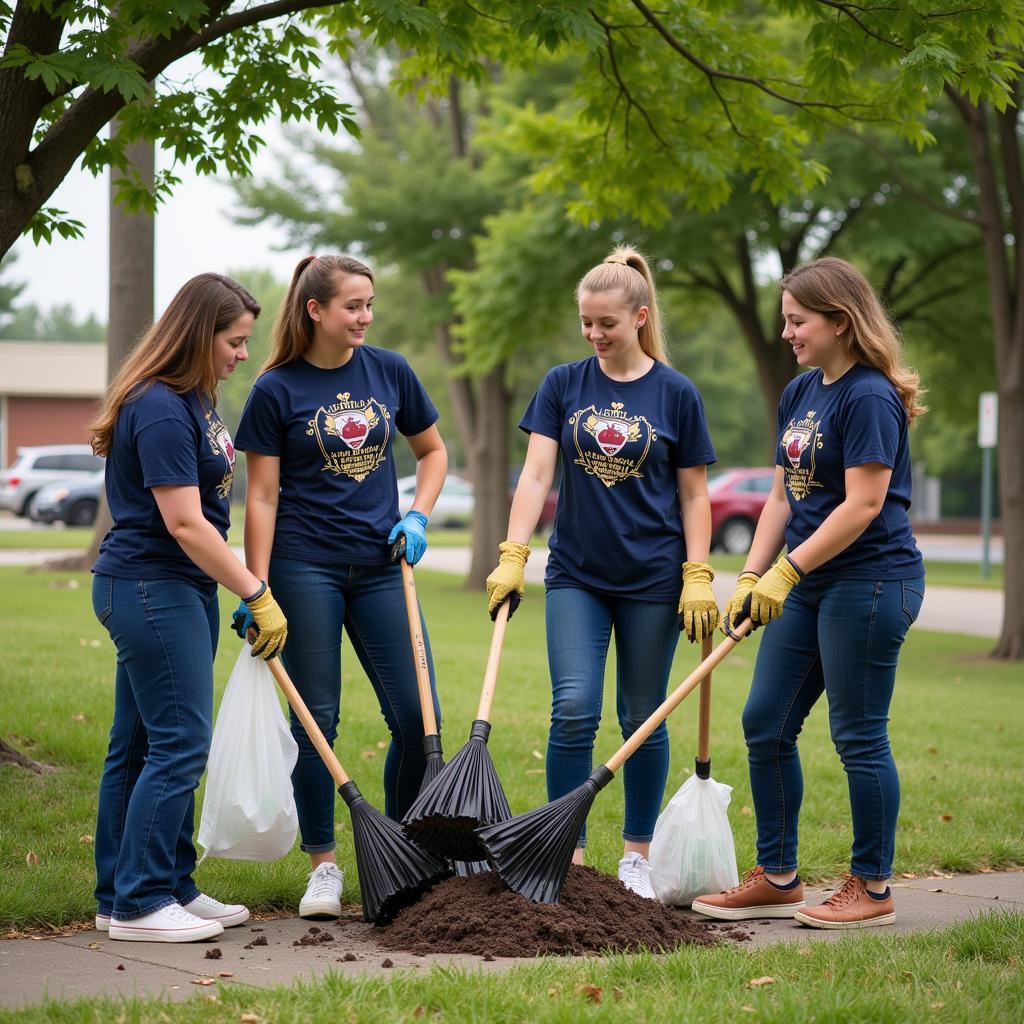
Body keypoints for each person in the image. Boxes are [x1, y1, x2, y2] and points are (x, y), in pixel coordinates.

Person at [691, 256, 927, 929]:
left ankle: (874, 886)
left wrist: (786, 573)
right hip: (808, 581)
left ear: (840, 322)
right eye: (786, 320)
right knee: (765, 722)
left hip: (871, 581)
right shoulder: (800, 394)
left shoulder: (870, 396)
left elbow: (863, 504)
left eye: (798, 321)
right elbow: (779, 496)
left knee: (857, 735)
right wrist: (750, 575)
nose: (788, 332)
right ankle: (779, 875)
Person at [486, 244, 719, 899]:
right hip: (577, 576)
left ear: (640, 317)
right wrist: (514, 553)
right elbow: (536, 473)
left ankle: (636, 857)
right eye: (586, 323)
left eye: (607, 324)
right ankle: (569, 854)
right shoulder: (564, 383)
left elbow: (695, 493)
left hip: (653, 578)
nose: (594, 334)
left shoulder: (676, 393)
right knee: (574, 709)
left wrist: (697, 571)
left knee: (643, 716)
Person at [232, 254, 447, 920]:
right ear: (315, 310)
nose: (365, 316)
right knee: (316, 720)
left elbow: (433, 452)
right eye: (353, 305)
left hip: (383, 567)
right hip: (306, 566)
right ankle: (324, 865)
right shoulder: (276, 390)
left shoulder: (390, 371)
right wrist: (257, 585)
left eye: (370, 304)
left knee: (417, 716)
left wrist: (417, 512)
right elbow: (262, 496)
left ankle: (406, 849)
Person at [89, 274, 288, 943]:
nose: (240, 355)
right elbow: (186, 523)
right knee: (178, 744)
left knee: (141, 743)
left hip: (177, 587)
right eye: (233, 341)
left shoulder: (192, 399)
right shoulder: (159, 408)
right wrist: (255, 591)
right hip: (151, 585)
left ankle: (145, 889)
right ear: (199, 334)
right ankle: (142, 906)